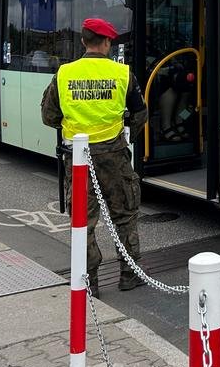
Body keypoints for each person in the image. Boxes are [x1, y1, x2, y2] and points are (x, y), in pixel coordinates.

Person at [40, 18, 148, 294]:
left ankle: (90, 280)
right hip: (114, 155)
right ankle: (129, 275)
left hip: (78, 158)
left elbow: (49, 116)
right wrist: (126, 138)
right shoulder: (122, 73)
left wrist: (74, 125)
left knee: (83, 222)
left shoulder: (64, 74)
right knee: (124, 215)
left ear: (83, 42)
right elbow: (140, 114)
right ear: (108, 43)